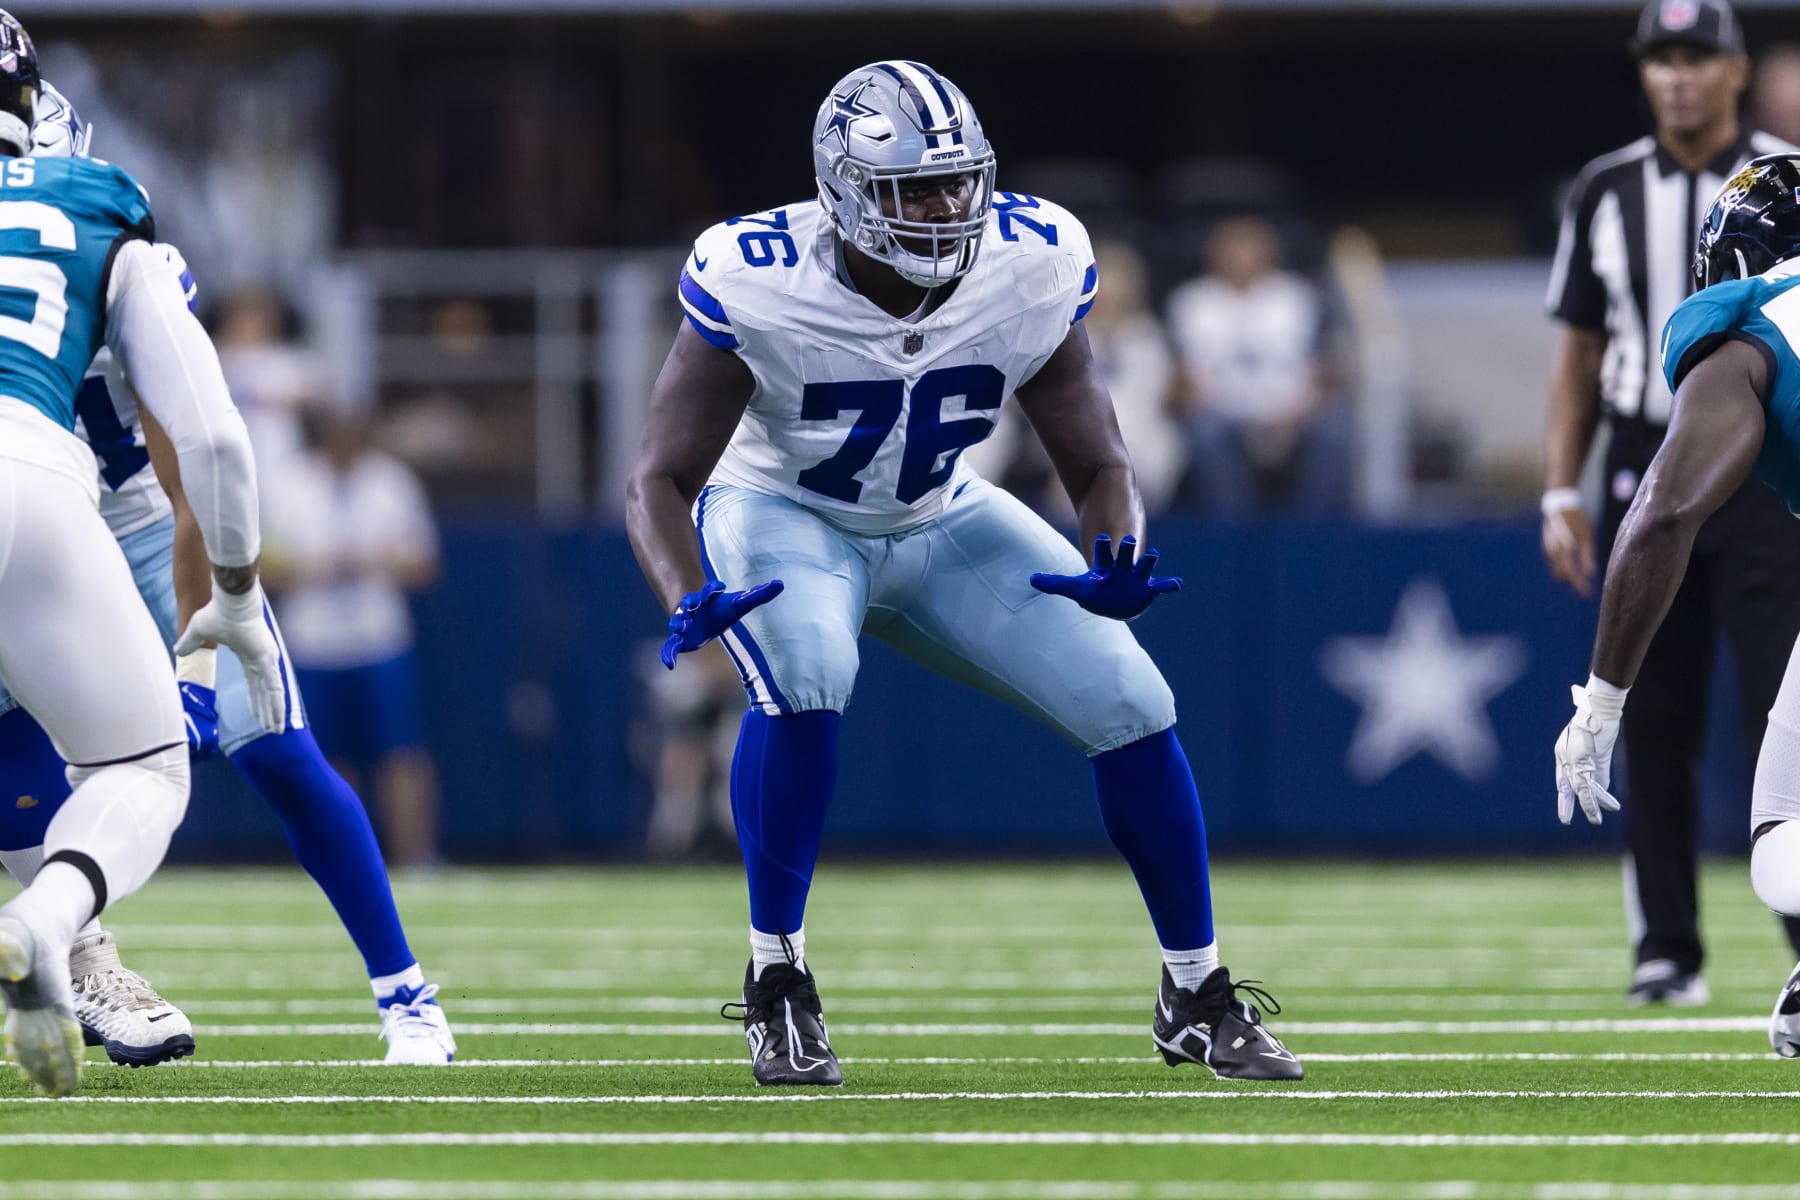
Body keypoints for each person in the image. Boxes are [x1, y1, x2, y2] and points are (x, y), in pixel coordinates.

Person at [626, 59, 1301, 1087]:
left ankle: (1195, 992)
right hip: (787, 512)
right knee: (805, 677)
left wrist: (1117, 547)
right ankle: (777, 982)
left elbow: (1100, 456)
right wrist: (688, 593)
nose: (947, 209)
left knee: (1134, 698)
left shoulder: (1030, 258)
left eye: (959, 181)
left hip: (943, 514)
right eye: (915, 189)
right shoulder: (757, 274)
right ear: (845, 192)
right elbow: (658, 477)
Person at [0, 82, 456, 1069]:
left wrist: (202, 648)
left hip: (136, 525)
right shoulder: (81, 216)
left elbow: (184, 469)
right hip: (51, 508)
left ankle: (404, 993)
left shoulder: (116, 255)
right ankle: (76, 956)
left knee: (272, 745)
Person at [0, 15, 286, 1098]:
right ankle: (53, 922)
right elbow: (211, 434)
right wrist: (240, 594)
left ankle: (77, 953)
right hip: (28, 470)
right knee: (143, 763)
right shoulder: (92, 196)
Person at [1542, 0, 1800, 1006]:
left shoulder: (1734, 332)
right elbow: (1576, 351)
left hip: (1717, 457)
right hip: (1672, 447)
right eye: (1663, 61)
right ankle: (1677, 946)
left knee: (1770, 724)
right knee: (1694, 720)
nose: (1679, 78)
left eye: (1699, 59)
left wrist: (1596, 700)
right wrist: (1564, 484)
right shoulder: (1607, 187)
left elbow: (1659, 517)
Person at [263, 409, 443, 869]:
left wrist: (372, 561)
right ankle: (340, 862)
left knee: (401, 753)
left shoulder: (391, 481)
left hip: (379, 639)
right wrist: (313, 568)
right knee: (325, 760)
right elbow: (259, 567)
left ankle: (415, 856)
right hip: (313, 642)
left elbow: (423, 563)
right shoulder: (286, 483)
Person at [1165, 214, 1350, 517]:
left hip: (1292, 413)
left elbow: (1324, 367)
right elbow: (1182, 376)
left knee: (1337, 428)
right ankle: (1234, 529)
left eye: (1249, 246)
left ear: (1270, 251)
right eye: (1232, 247)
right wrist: (1204, 401)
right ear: (1214, 253)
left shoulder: (1297, 296)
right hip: (1222, 413)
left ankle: (1315, 529)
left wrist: (1302, 407)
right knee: (1205, 431)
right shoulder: (1192, 301)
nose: (1241, 256)